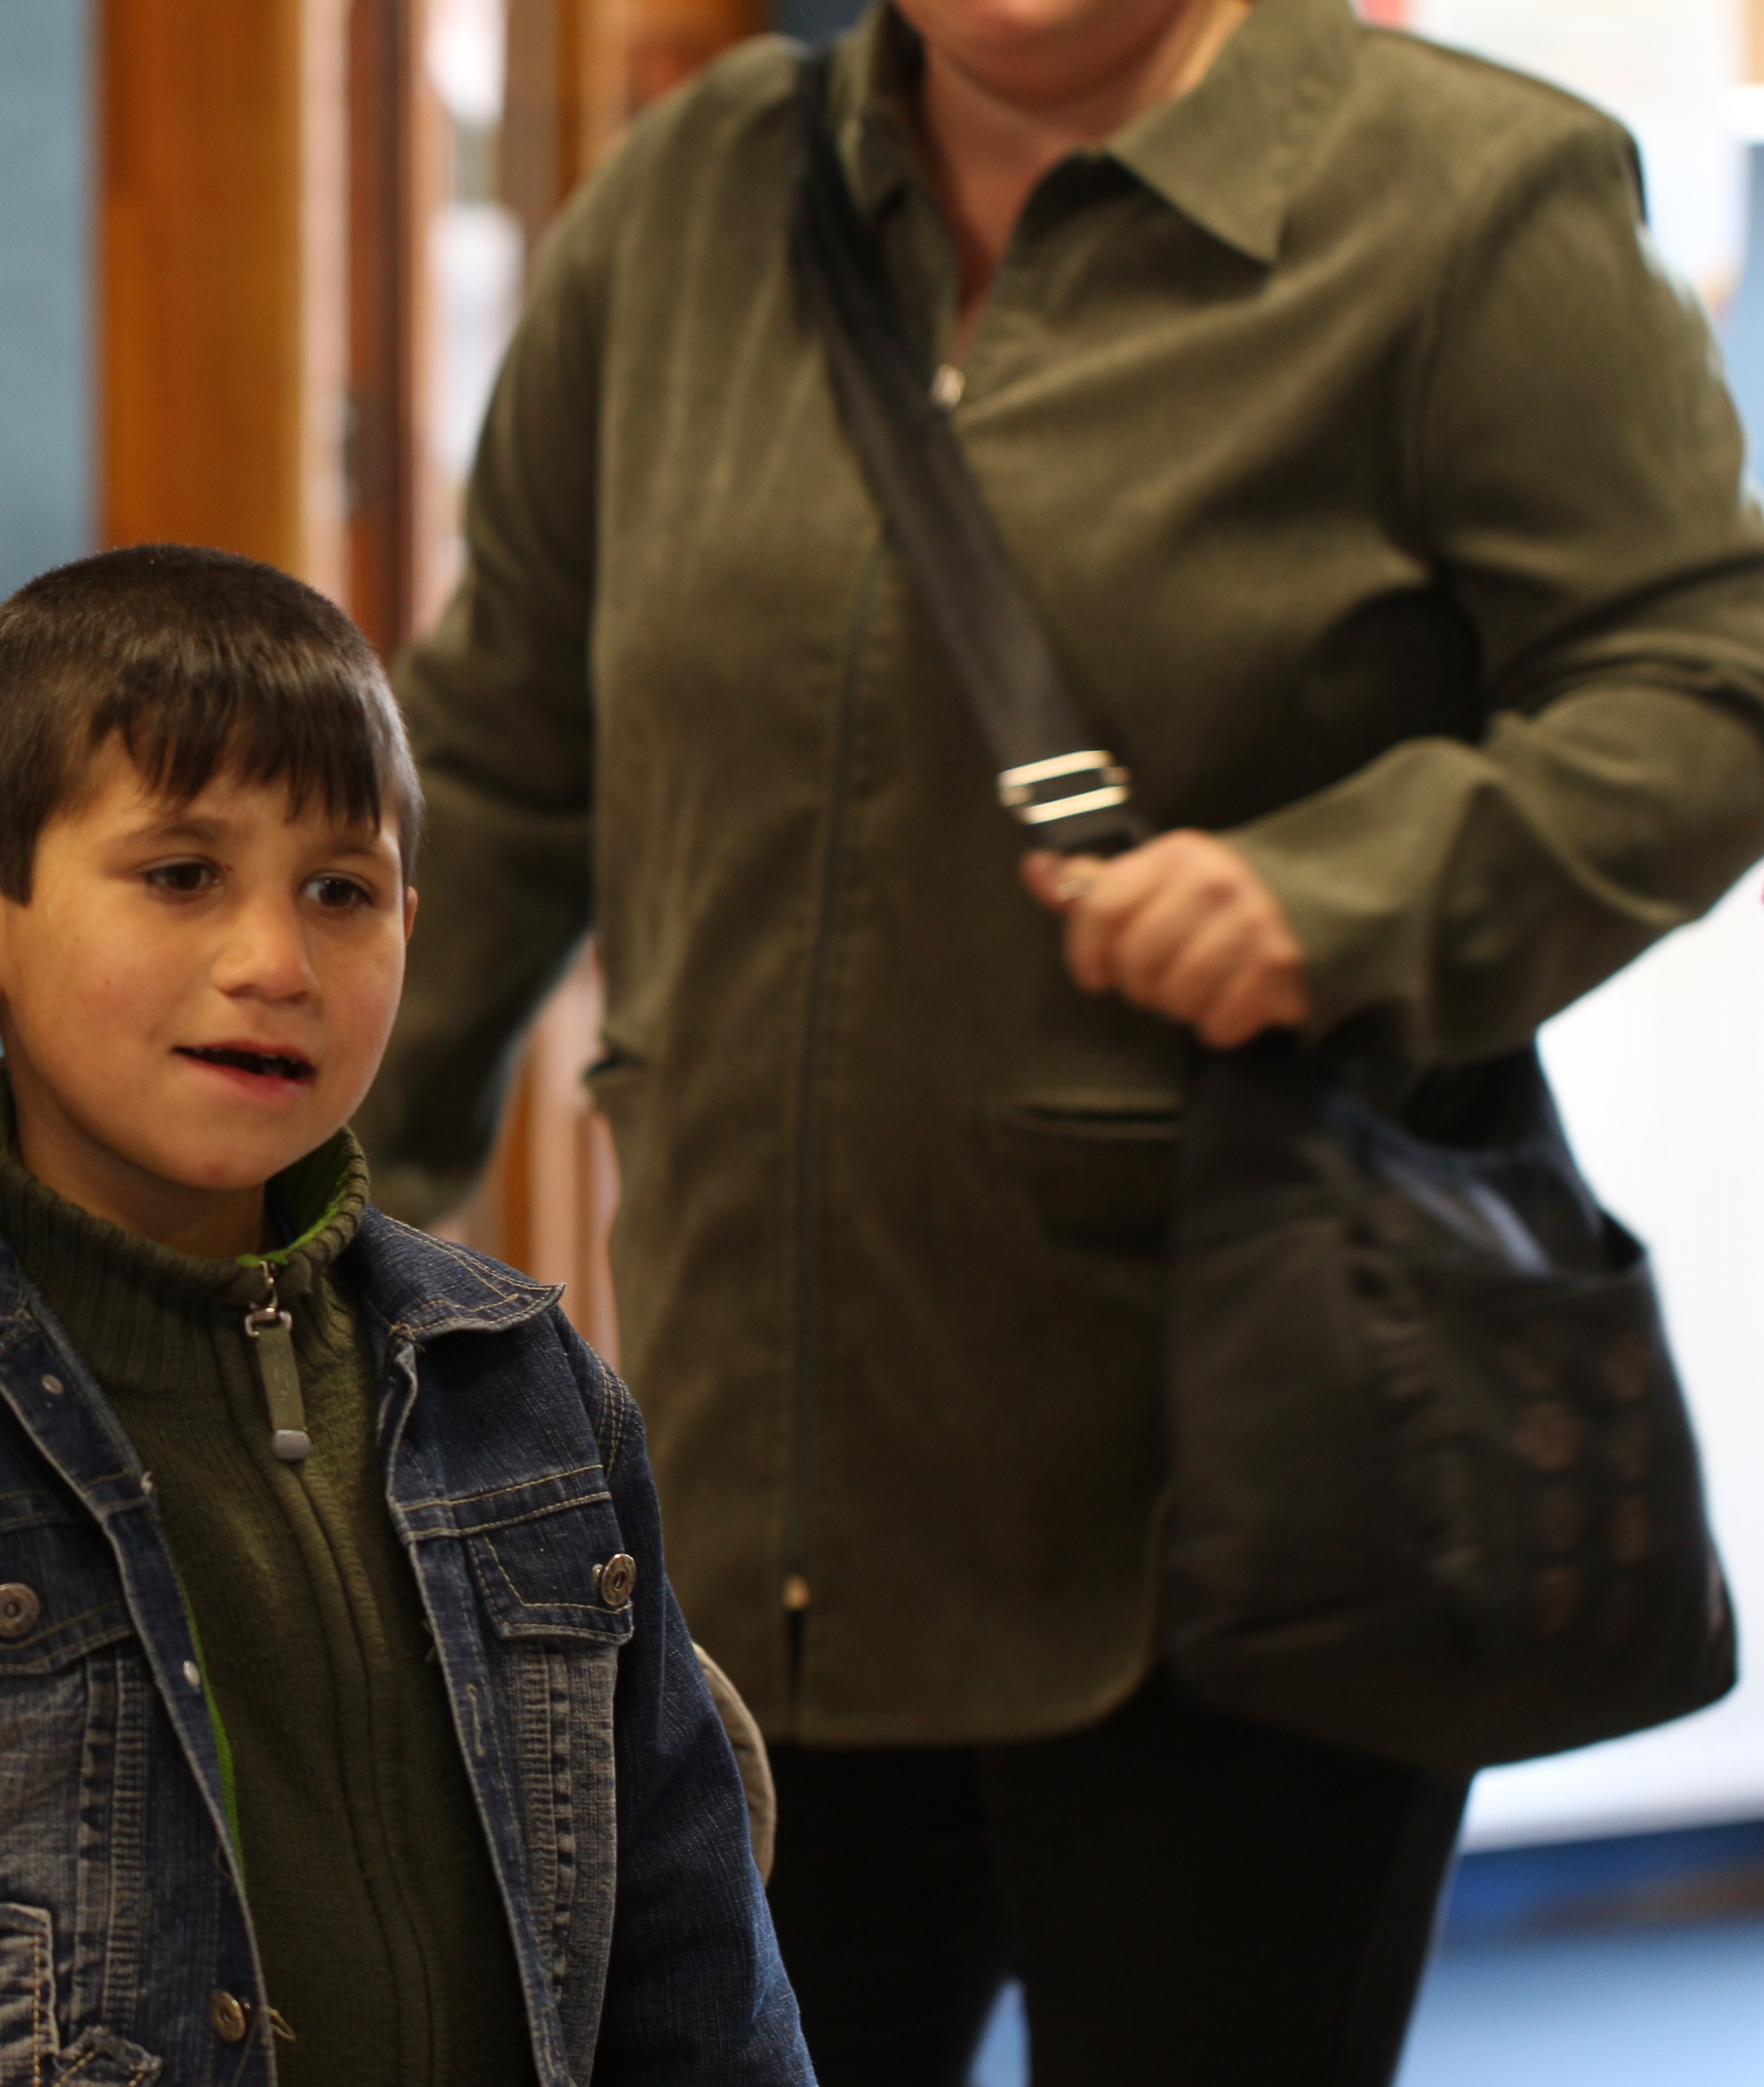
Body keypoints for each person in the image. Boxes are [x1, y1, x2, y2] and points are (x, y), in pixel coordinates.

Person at [353, 1, 1764, 2082]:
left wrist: (1340, 896)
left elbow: (1702, 688)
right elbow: (489, 764)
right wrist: (301, 1231)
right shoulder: (684, 203)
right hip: (747, 1509)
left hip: (1252, 1515)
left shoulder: (1465, 200)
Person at [0, 545, 809, 2086]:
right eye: (182, 875)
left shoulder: (533, 1397)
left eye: (341, 891)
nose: (275, 963)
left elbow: (703, 1992)